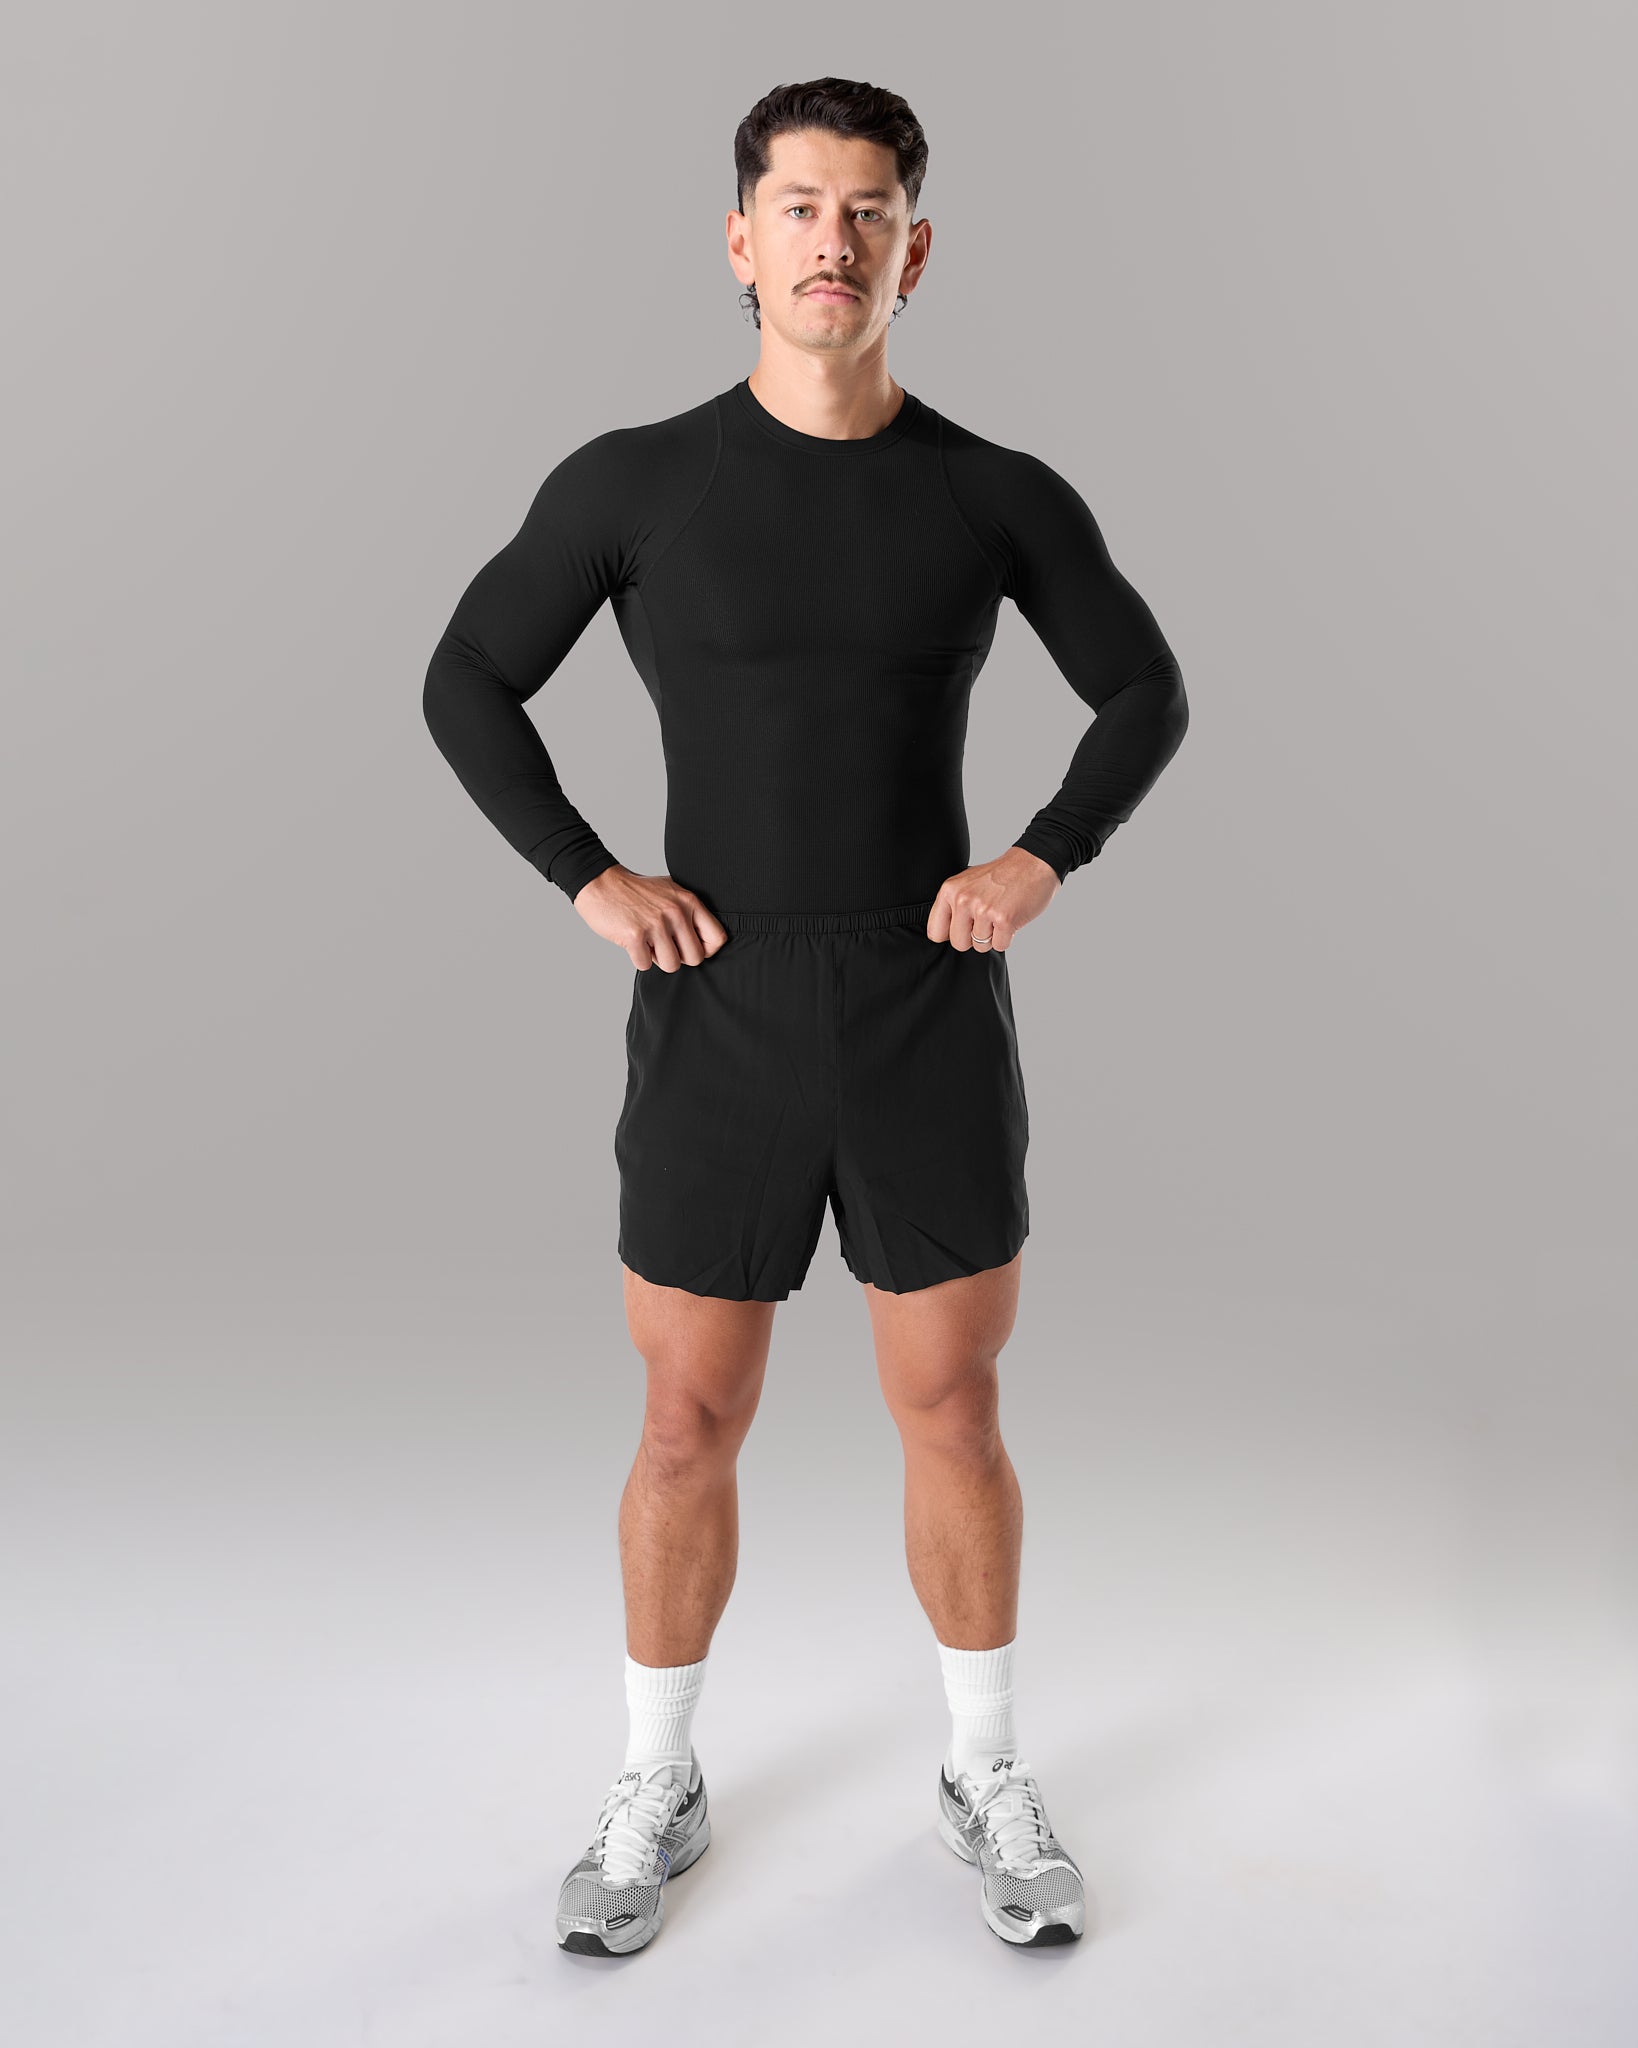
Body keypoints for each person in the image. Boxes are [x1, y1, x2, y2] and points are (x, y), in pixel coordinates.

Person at [422, 76, 1188, 1955]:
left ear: (912, 250)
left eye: (866, 212)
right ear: (739, 241)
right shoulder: (636, 482)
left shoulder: (991, 492)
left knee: (953, 1405)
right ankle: (654, 1781)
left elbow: (1143, 691)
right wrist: (589, 876)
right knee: (685, 1416)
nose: (831, 242)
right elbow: (466, 677)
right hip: (719, 999)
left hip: (926, 998)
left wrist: (1044, 857)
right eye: (797, 207)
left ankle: (984, 1771)